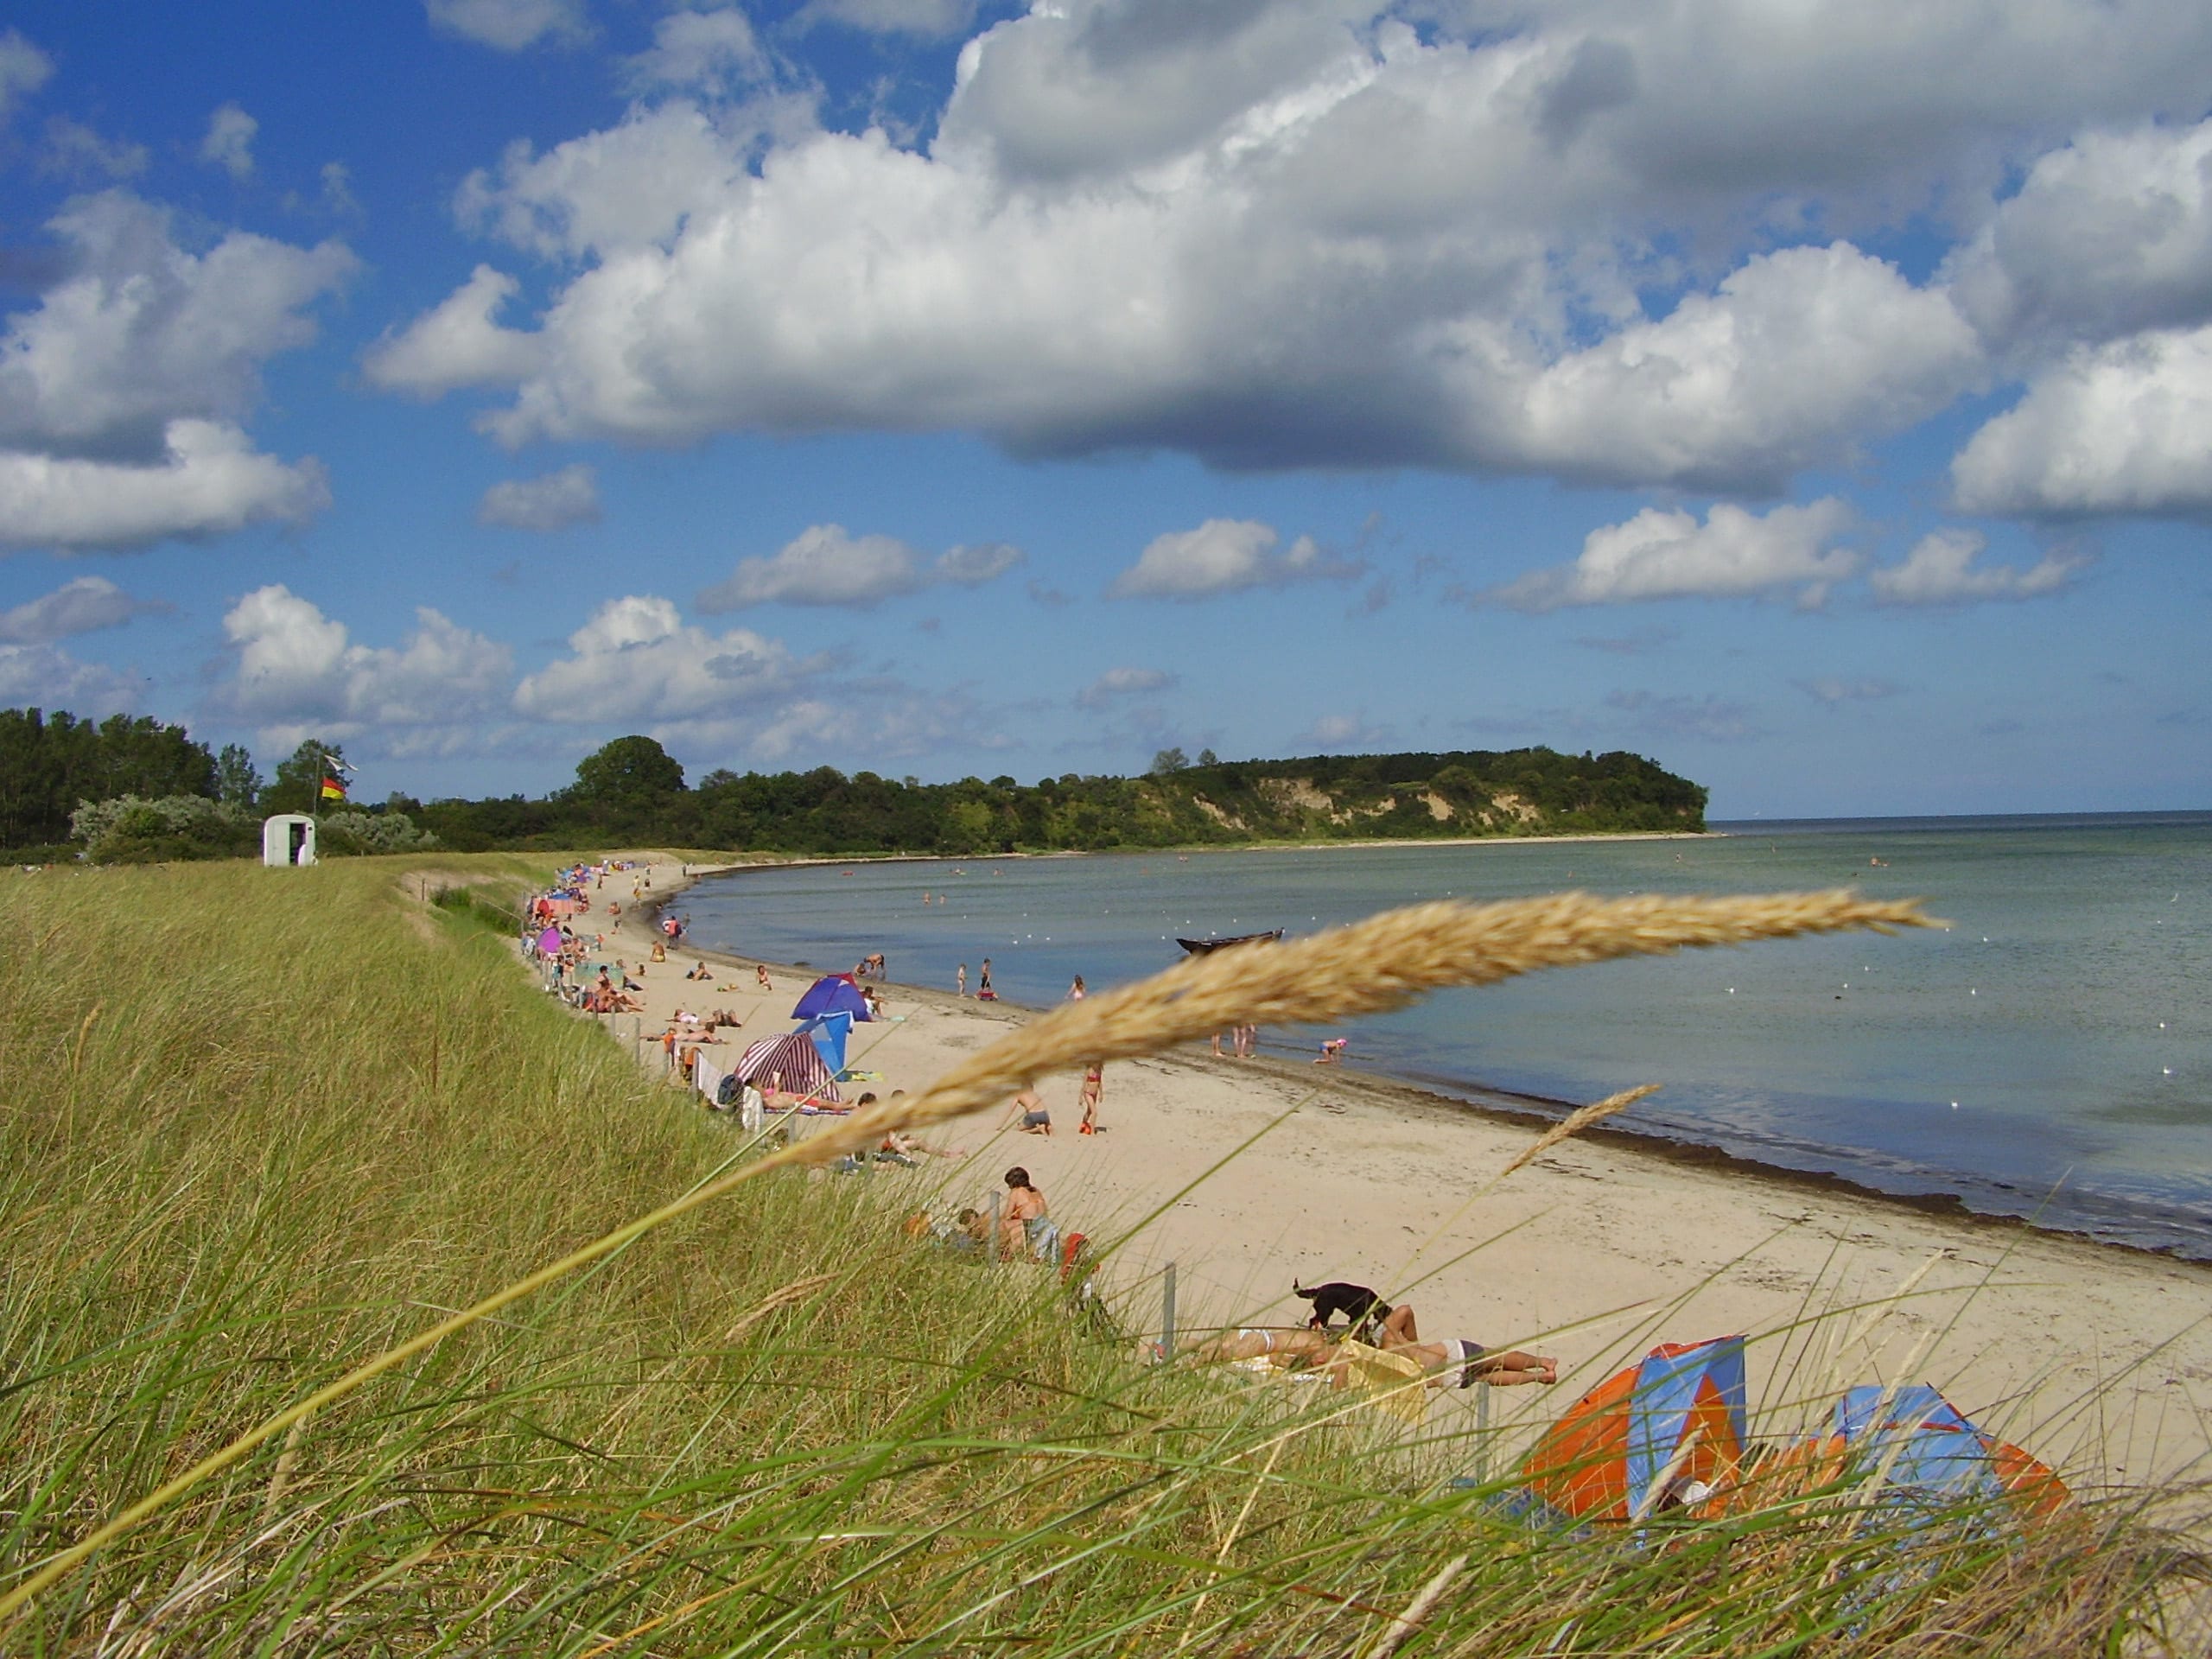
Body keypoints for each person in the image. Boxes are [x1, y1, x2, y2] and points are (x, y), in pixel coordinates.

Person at [1001, 1166, 1047, 1260]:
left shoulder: (1016, 1191)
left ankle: (1005, 1252)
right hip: (1044, 1225)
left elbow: (1007, 1215)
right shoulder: (1036, 1191)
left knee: (1002, 1224)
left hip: (1028, 1225)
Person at [1077, 1063, 1103, 1135]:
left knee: (1089, 1112)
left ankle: (1083, 1123)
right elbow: (1084, 1083)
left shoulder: (1099, 1070)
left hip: (1095, 1093)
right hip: (1088, 1093)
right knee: (1094, 1112)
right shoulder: (1089, 1070)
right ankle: (1092, 1132)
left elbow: (1100, 1082)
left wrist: (1101, 1093)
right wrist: (1080, 1097)